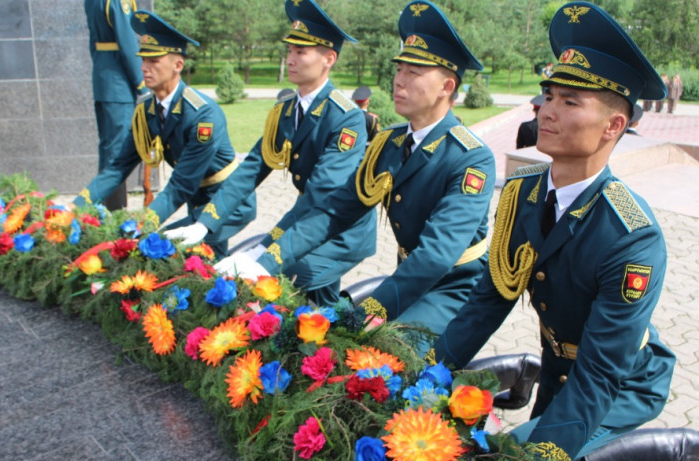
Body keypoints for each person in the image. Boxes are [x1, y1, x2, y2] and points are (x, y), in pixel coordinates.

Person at [434, 1, 676, 461]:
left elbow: (600, 374)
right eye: (549, 97)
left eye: (570, 102)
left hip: (621, 382)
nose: (547, 111)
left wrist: (534, 456)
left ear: (613, 126)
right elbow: (487, 302)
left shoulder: (631, 235)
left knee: (524, 455)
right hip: (558, 367)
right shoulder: (521, 193)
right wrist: (428, 369)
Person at [223, 0, 496, 349]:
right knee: (326, 345)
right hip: (407, 277)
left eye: (414, 73)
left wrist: (364, 314)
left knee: (384, 360)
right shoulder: (390, 143)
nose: (399, 80)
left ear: (446, 87)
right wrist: (265, 261)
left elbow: (435, 256)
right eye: (399, 69)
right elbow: (335, 211)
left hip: (453, 288)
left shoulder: (471, 159)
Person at [168, 0, 374, 307]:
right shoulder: (286, 111)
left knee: (285, 279)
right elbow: (251, 168)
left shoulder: (346, 118)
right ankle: (331, 328)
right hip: (307, 219)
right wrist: (205, 223)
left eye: (301, 52)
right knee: (316, 303)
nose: (290, 59)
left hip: (340, 229)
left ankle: (344, 327)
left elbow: (321, 196)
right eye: (289, 50)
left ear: (329, 59)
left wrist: (265, 250)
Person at [73, 11, 256, 258]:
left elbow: (180, 184)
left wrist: (143, 224)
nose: (144, 68)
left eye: (154, 61)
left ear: (177, 65)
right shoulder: (146, 112)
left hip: (228, 202)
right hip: (197, 198)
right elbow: (117, 167)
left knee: (160, 248)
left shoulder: (203, 115)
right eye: (143, 60)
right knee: (206, 264)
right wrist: (76, 207)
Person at [84, 0, 149, 211]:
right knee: (117, 153)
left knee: (107, 149)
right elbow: (128, 43)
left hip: (103, 78)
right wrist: (141, 83)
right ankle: (114, 211)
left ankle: (103, 208)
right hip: (119, 82)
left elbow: (93, 42)